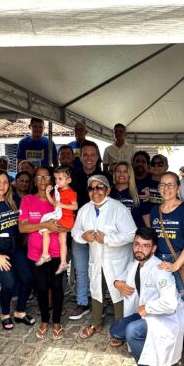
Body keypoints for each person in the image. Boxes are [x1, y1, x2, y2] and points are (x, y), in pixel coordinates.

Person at [110, 227, 184, 366]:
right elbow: (123, 275)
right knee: (115, 330)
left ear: (153, 248)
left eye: (145, 246)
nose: (139, 249)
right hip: (146, 314)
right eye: (137, 244)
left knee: (132, 331)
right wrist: (117, 283)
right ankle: (141, 345)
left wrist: (147, 308)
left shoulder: (160, 270)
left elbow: (170, 303)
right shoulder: (135, 263)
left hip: (164, 317)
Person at [71, 175, 136, 339]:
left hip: (117, 261)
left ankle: (120, 329)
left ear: (107, 189)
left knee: (118, 293)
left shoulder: (118, 208)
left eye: (99, 187)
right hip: (97, 260)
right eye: (91, 188)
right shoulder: (84, 210)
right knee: (96, 290)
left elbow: (131, 234)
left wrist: (107, 239)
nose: (95, 191)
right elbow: (75, 231)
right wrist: (83, 236)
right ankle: (95, 323)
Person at [0, 169, 36, 330]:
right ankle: (5, 313)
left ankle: (20, 311)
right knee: (8, 283)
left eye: (5, 182)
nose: (2, 186)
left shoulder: (14, 201)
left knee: (28, 278)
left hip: (16, 246)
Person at [150, 172, 184, 366]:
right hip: (159, 262)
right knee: (161, 304)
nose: (166, 188)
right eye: (163, 184)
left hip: (178, 262)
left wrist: (176, 266)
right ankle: (169, 345)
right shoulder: (155, 211)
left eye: (171, 185)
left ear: (178, 187)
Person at [20, 167, 71, 341]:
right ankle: (44, 320)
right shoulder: (27, 200)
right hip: (36, 253)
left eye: (46, 177)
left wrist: (58, 227)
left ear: (52, 180)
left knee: (57, 287)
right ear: (34, 180)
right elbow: (22, 227)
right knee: (41, 287)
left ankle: (56, 322)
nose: (43, 181)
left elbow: (68, 219)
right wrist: (46, 226)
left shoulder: (58, 199)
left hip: (57, 252)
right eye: (39, 177)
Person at [67, 141, 104, 321]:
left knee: (100, 268)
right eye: (85, 154)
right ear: (80, 157)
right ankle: (82, 301)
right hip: (79, 229)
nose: (89, 158)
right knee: (81, 268)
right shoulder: (72, 178)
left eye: (92, 154)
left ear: (98, 157)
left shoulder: (105, 177)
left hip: (100, 231)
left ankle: (99, 302)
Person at [38, 166, 77, 274]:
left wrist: (62, 205)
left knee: (45, 231)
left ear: (68, 180)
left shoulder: (70, 192)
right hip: (62, 219)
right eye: (56, 179)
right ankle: (63, 262)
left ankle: (45, 254)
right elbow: (54, 204)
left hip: (65, 220)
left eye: (60, 179)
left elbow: (75, 206)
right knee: (62, 240)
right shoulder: (58, 191)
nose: (57, 181)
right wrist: (47, 193)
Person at [109, 161, 144, 229]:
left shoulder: (139, 192)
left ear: (130, 174)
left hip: (134, 235)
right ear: (114, 174)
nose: (121, 174)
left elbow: (145, 215)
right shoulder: (108, 192)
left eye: (125, 171)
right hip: (113, 235)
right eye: (118, 171)